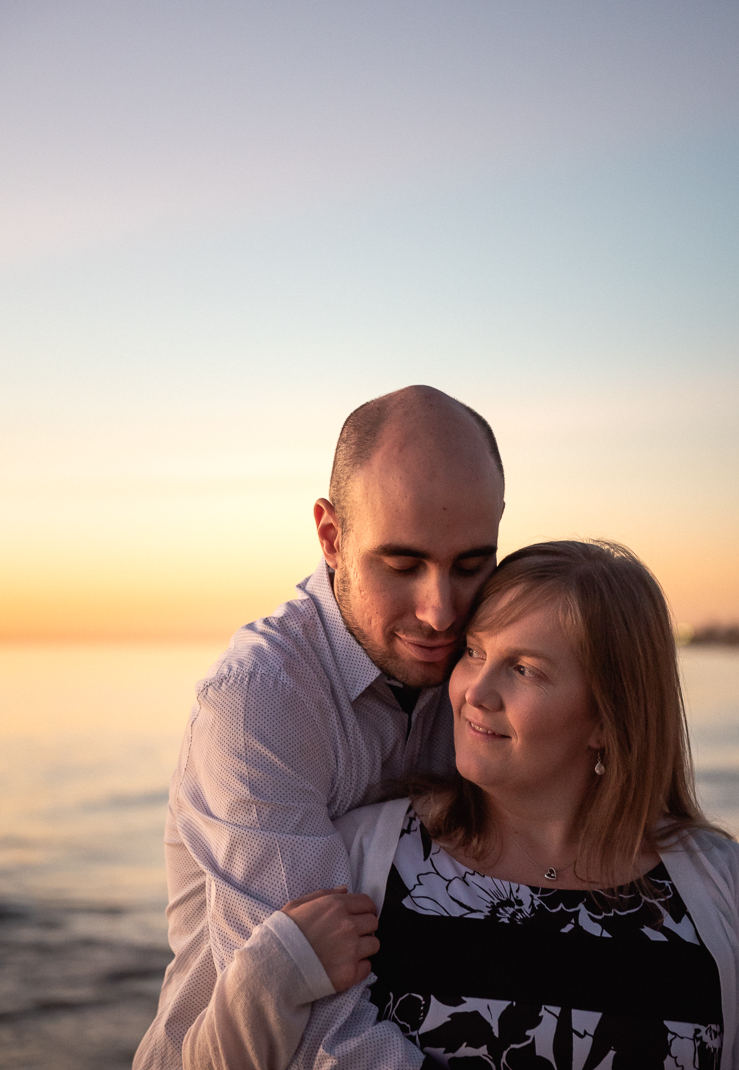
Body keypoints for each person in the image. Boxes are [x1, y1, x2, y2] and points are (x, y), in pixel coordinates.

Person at [192, 540, 739, 1069]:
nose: (475, 692)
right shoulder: (366, 859)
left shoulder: (712, 878)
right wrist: (262, 978)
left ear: (607, 719)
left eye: (525, 670)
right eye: (476, 652)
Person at [134, 385, 506, 1069]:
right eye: (402, 565)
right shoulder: (258, 702)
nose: (440, 612)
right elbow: (313, 1030)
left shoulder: (484, 670)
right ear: (331, 538)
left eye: (470, 565)